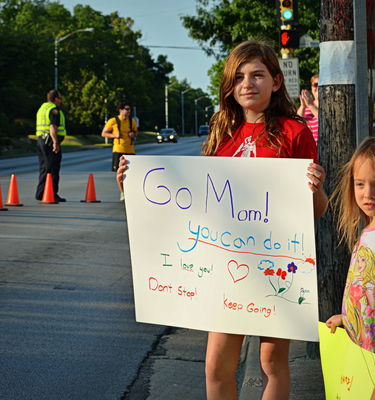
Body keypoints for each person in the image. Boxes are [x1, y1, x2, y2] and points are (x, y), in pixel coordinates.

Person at [117, 39, 328, 399]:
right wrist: (133, 184)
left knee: (272, 362)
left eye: (258, 75)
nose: (249, 83)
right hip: (226, 265)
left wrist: (315, 188)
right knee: (216, 366)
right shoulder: (222, 131)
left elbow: (317, 210)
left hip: (277, 263)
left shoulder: (294, 132)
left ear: (276, 81)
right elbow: (193, 203)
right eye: (240, 76)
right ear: (230, 86)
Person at [325, 137, 375, 400]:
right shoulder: (369, 229)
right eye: (360, 184)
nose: (368, 194)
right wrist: (350, 319)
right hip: (364, 365)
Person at [101, 102, 138, 201]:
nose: (128, 111)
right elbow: (104, 133)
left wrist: (133, 134)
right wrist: (114, 135)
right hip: (118, 150)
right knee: (120, 173)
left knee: (131, 173)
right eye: (126, 109)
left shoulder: (132, 121)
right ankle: (123, 192)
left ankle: (130, 191)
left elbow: (136, 132)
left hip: (130, 150)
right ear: (120, 110)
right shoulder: (113, 121)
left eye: (129, 109)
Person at [35, 89, 66, 202]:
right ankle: (52, 193)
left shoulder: (42, 108)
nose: (61, 101)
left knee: (44, 167)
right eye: (60, 98)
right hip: (49, 141)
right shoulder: (53, 109)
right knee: (53, 168)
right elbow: (53, 127)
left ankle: (40, 193)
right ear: (55, 99)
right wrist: (55, 143)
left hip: (40, 140)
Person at [297, 74, 319, 145]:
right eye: (315, 85)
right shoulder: (306, 106)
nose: (318, 87)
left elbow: (325, 121)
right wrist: (303, 106)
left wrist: (310, 105)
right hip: (308, 147)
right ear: (311, 87)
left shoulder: (328, 105)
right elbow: (297, 122)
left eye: (320, 85)